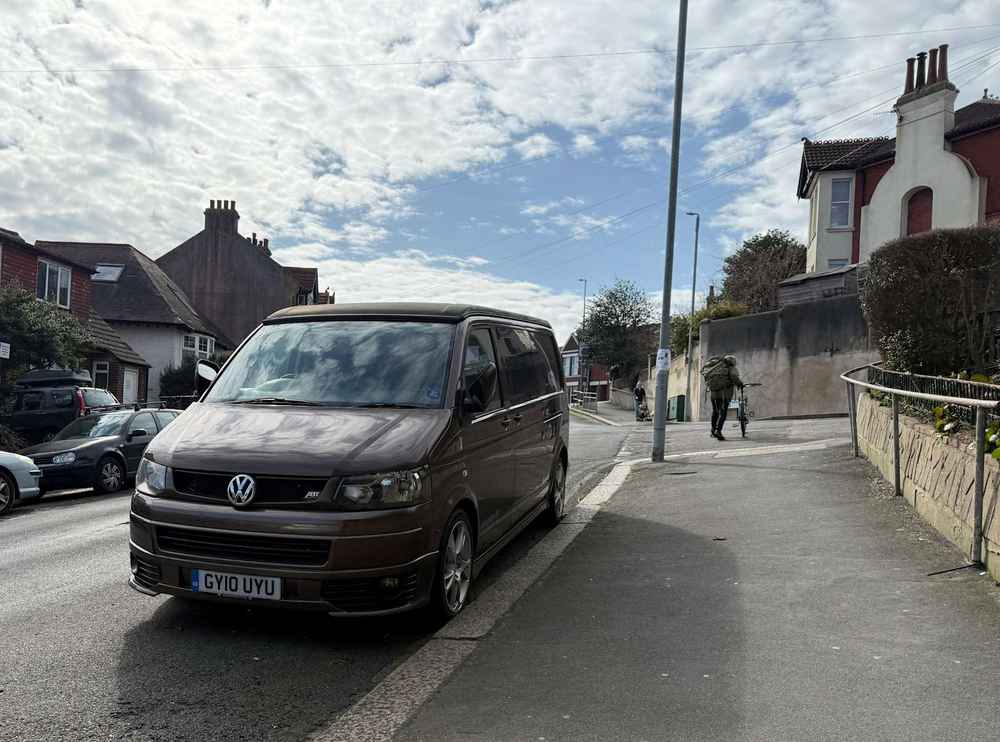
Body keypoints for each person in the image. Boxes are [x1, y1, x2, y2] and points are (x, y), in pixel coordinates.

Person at [702, 354, 744, 440]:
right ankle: (719, 431)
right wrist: (740, 384)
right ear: (732, 362)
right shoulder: (730, 368)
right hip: (724, 394)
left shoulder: (715, 368)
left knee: (715, 412)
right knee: (723, 413)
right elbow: (734, 377)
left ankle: (713, 431)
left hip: (713, 394)